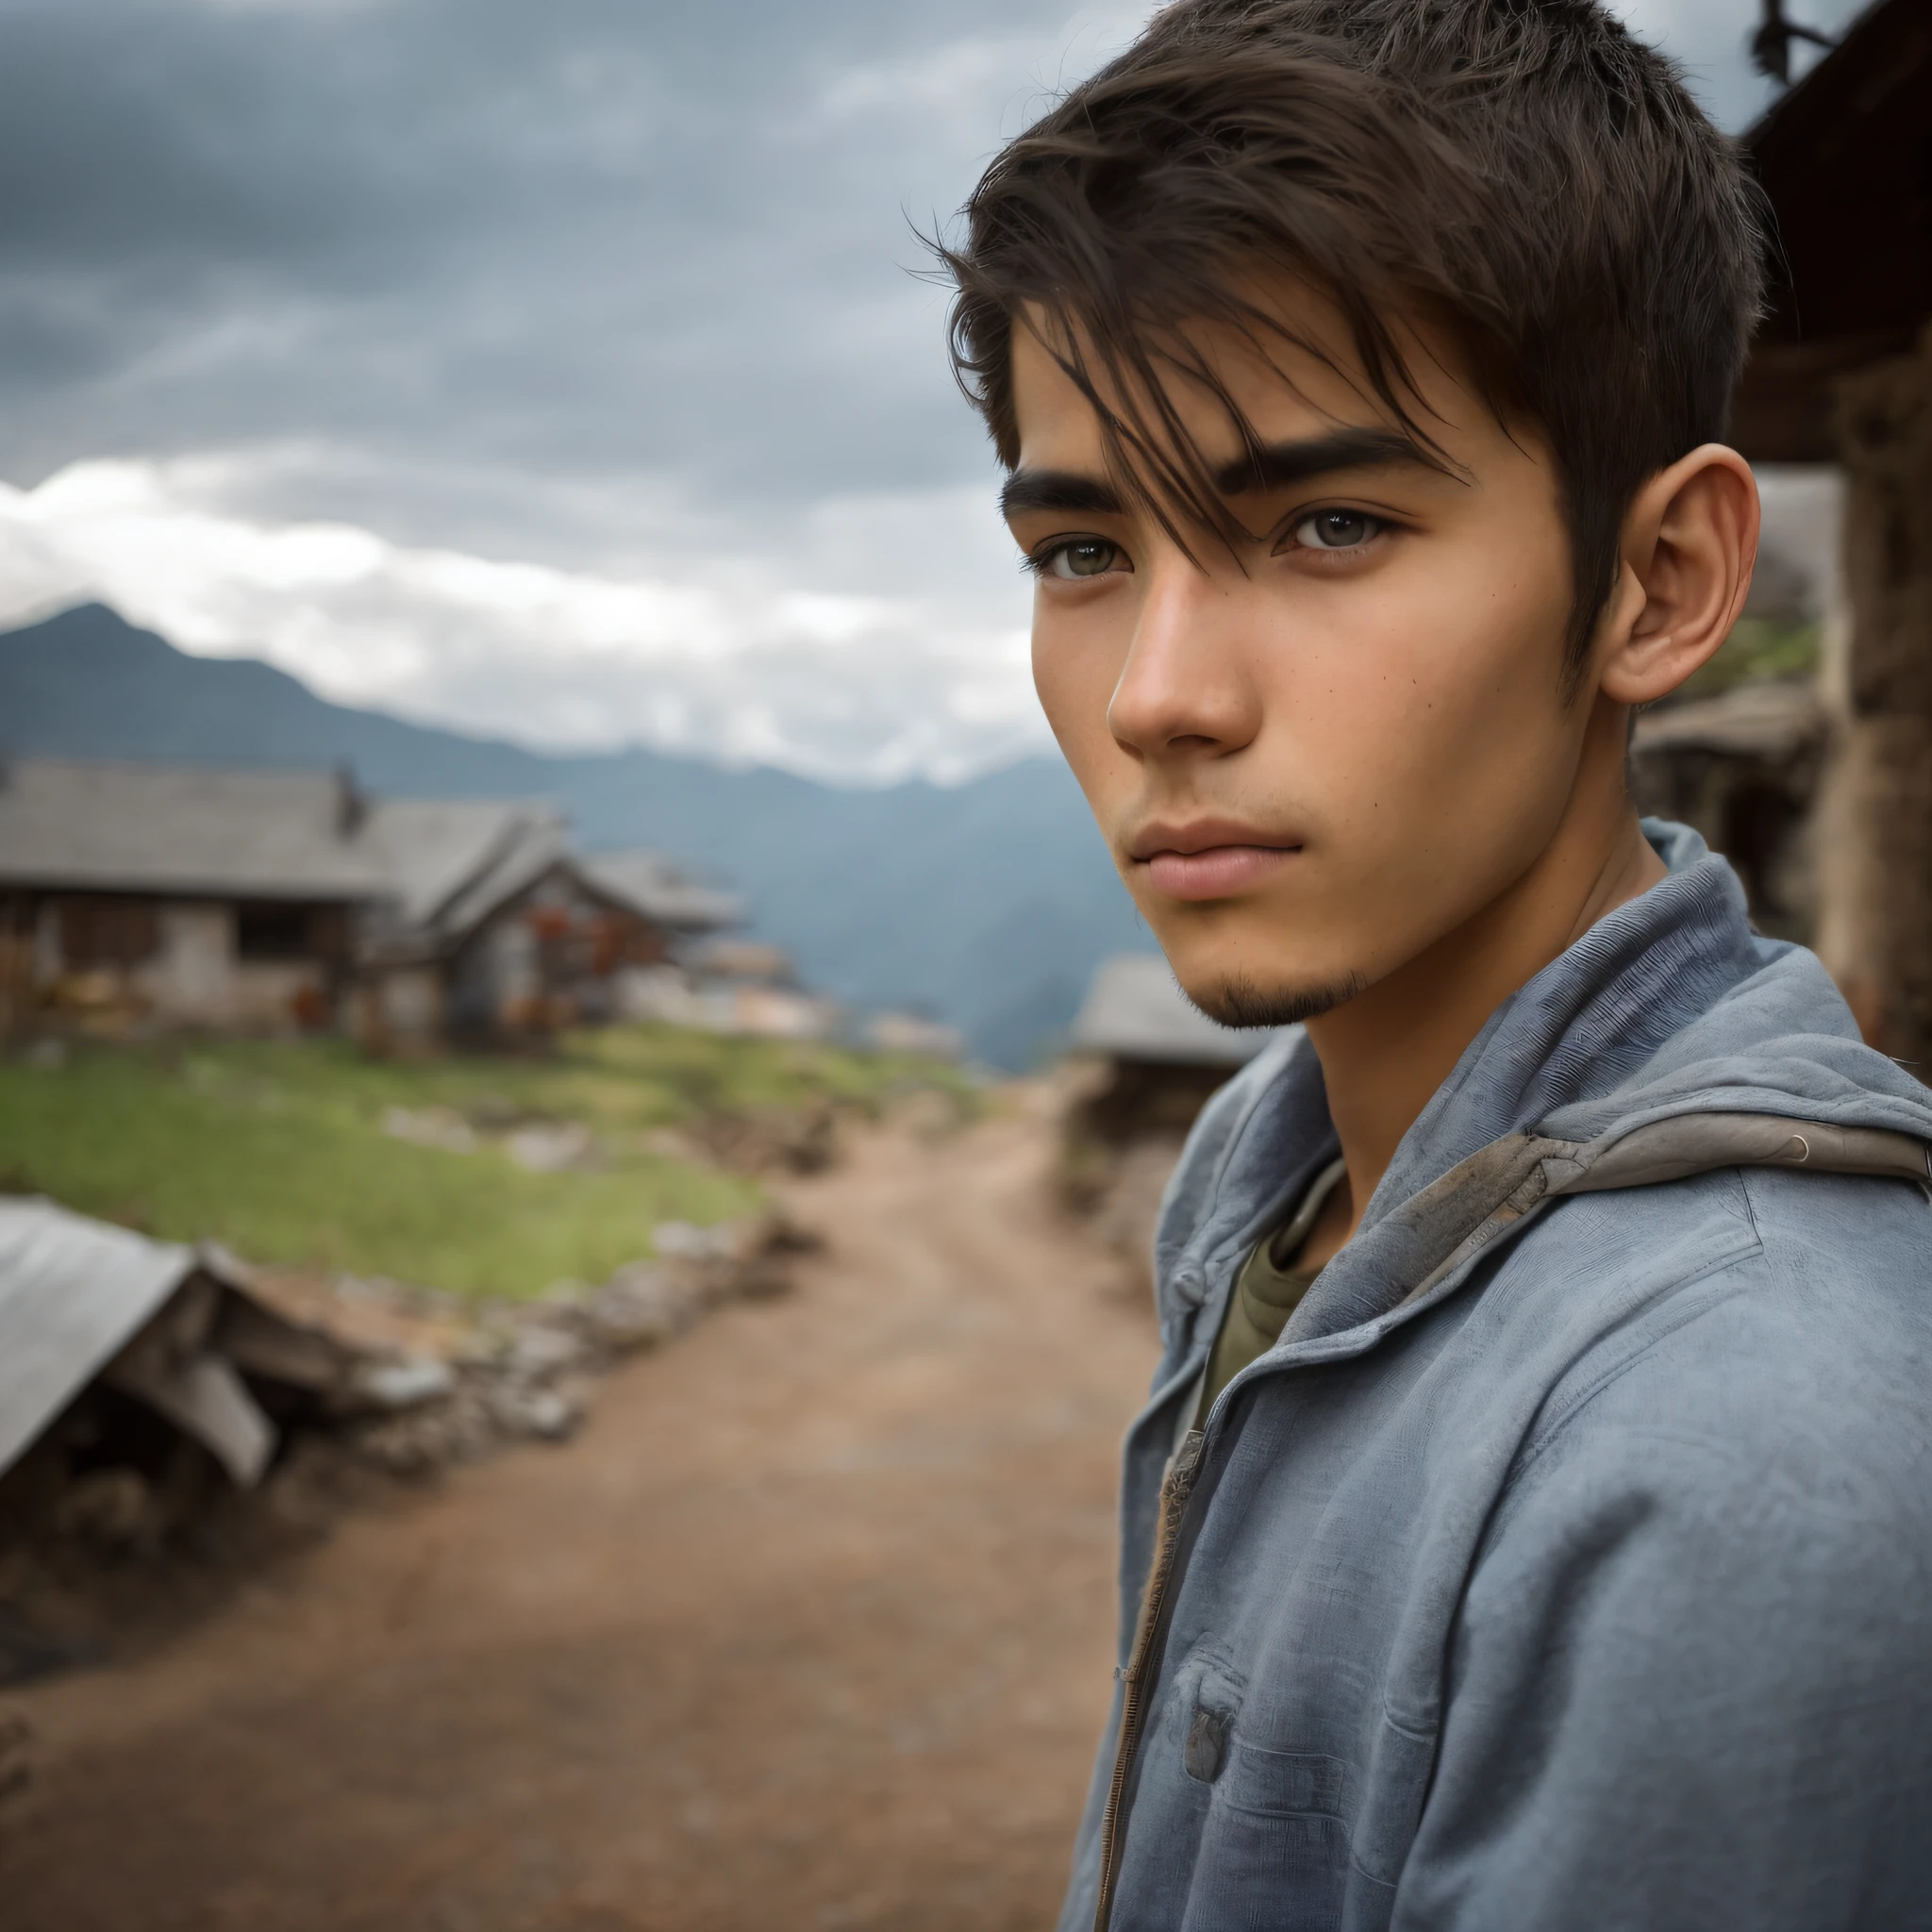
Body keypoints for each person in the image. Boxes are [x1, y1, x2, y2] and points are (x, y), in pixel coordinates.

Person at [939, 3, 1932, 1927]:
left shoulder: (1731, 1448)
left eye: (1328, 522)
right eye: (1080, 554)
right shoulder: (1281, 1182)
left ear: (1656, 584)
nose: (1160, 696)